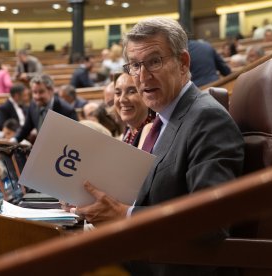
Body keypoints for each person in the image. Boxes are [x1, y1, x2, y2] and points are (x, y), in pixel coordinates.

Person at [73, 17, 244, 275]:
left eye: (154, 61)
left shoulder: (206, 118)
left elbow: (209, 222)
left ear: (183, 63)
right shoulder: (163, 120)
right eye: (134, 65)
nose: (142, 77)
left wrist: (126, 216)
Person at [12, 74, 78, 143]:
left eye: (41, 92)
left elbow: (73, 138)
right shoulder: (33, 105)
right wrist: (14, 140)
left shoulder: (67, 110)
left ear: (51, 91)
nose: (37, 96)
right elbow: (26, 128)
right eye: (34, 92)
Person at [114, 72, 155, 148]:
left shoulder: (155, 131)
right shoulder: (125, 134)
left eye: (131, 92)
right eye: (118, 93)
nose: (122, 99)